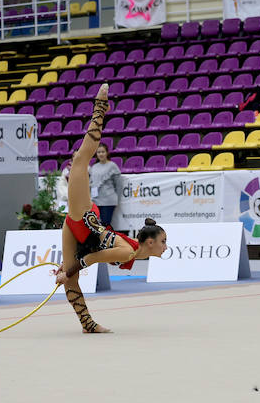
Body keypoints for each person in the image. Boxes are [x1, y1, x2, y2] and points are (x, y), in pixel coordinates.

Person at [54, 84, 167, 333]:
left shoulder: (131, 254)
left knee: (70, 279)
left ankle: (88, 325)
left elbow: (88, 256)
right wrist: (70, 268)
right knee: (81, 160)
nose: (166, 246)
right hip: (83, 219)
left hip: (81, 231)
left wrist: (68, 269)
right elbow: (91, 259)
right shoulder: (127, 252)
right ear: (149, 243)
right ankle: (100, 108)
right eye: (163, 241)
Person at [89, 142, 120, 228]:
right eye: (99, 152)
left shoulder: (112, 166)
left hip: (108, 201)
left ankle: (107, 241)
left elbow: (118, 184)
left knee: (105, 225)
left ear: (107, 153)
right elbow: (91, 184)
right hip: (95, 201)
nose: (101, 154)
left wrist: (118, 199)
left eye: (103, 152)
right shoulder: (94, 167)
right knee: (96, 225)